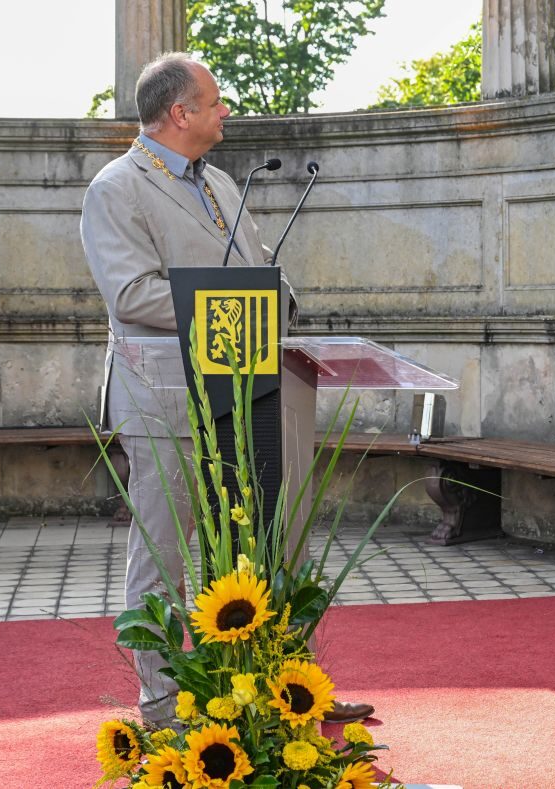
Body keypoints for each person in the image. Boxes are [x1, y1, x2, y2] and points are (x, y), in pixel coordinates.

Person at [80, 52, 372, 728]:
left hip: (252, 391)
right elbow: (132, 294)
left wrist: (280, 303)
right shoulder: (117, 187)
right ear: (180, 113)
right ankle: (159, 704)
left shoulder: (219, 182)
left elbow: (259, 271)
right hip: (166, 398)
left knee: (266, 544)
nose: (226, 111)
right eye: (215, 102)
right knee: (164, 553)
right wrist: (247, 308)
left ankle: (283, 692)